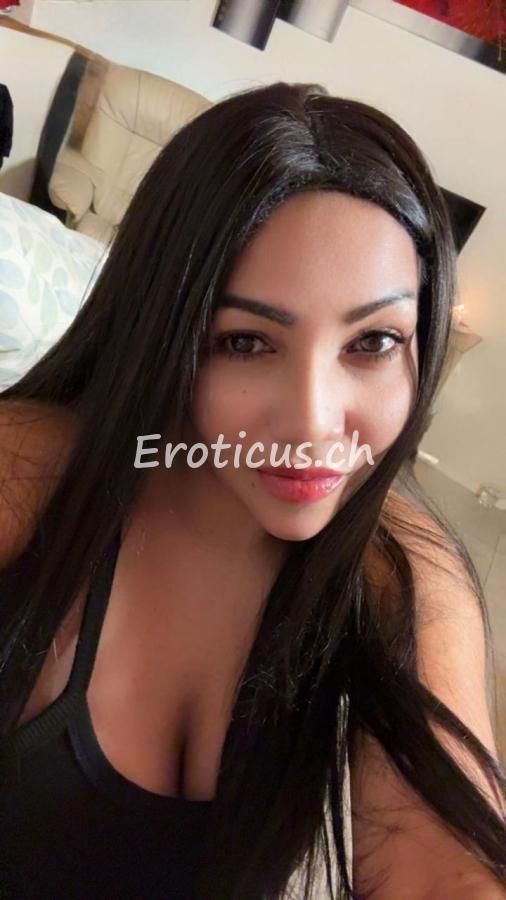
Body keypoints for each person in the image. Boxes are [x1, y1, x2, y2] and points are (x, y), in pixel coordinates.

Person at [0, 81, 504, 900]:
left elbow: (446, 870)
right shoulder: (29, 467)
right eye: (245, 342)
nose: (312, 424)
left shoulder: (401, 569)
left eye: (373, 342)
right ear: (166, 332)